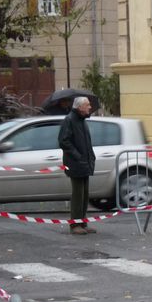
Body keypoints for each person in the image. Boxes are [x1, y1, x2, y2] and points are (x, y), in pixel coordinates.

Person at [58, 95, 96, 236]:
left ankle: (82, 223)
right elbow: (63, 141)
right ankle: (75, 224)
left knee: (84, 194)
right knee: (78, 194)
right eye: (87, 105)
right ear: (79, 107)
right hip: (75, 163)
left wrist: (90, 156)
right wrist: (78, 156)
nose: (90, 107)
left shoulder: (82, 120)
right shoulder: (70, 120)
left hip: (84, 162)